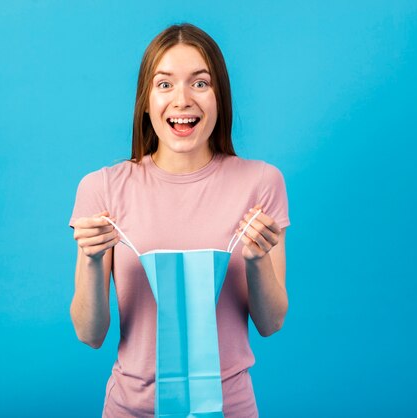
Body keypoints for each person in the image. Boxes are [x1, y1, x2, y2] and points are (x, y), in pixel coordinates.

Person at [69, 23, 290, 417]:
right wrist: (89, 259)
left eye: (200, 83)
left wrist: (257, 260)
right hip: (130, 408)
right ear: (146, 100)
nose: (182, 100)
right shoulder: (102, 188)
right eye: (165, 84)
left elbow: (271, 323)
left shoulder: (261, 183)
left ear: (220, 95)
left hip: (230, 407)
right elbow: (90, 334)